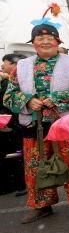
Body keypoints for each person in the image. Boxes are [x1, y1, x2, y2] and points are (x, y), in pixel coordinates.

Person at [3, 22, 69, 223]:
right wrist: (28, 101)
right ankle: (41, 205)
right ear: (33, 43)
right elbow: (9, 96)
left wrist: (57, 98)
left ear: (57, 41)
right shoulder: (21, 66)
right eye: (40, 38)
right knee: (35, 166)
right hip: (33, 124)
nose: (45, 41)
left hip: (66, 123)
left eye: (50, 38)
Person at [0, 54, 26, 196]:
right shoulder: (7, 80)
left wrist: (6, 119)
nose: (2, 66)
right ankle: (14, 184)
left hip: (16, 122)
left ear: (14, 64)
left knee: (18, 154)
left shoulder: (18, 80)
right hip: (10, 122)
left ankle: (21, 184)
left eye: (5, 63)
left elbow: (9, 103)